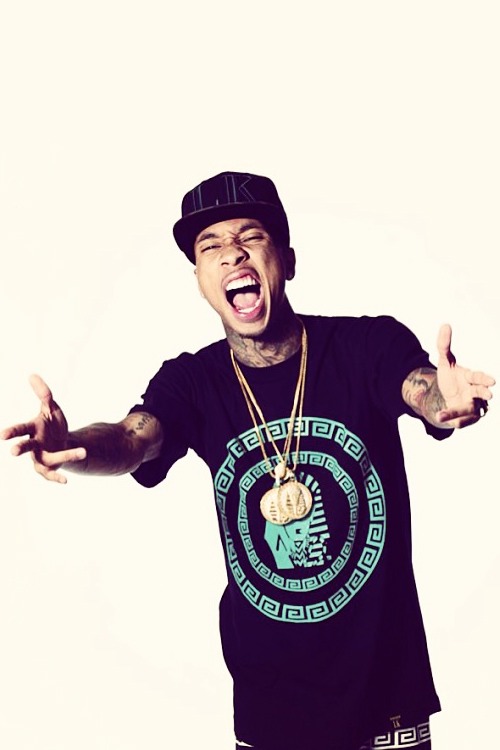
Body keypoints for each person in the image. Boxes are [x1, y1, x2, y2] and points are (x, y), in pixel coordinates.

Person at [1, 171, 495, 750]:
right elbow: (132, 439)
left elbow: (422, 389)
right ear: (200, 281)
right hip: (271, 709)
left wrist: (444, 400)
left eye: (250, 236)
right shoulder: (193, 382)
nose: (231, 253)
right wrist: (73, 447)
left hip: (387, 700)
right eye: (209, 246)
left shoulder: (367, 347)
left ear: (287, 260)